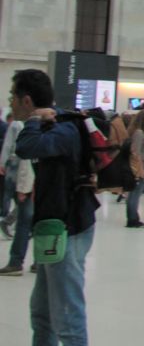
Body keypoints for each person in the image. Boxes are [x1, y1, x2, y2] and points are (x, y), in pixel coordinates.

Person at [11, 68, 100, 345]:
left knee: (67, 315)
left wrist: (35, 121)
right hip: (53, 227)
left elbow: (25, 147)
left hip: (68, 228)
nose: (10, 102)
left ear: (27, 101)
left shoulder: (62, 128)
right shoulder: (56, 124)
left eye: (12, 97)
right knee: (42, 314)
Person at [0, 118, 33, 275]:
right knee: (30, 219)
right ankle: (39, 261)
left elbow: (20, 155)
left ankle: (16, 262)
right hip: (32, 181)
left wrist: (22, 187)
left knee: (24, 221)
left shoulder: (22, 125)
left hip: (24, 179)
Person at [125, 110, 144, 228]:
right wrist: (140, 169)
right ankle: (132, 218)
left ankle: (133, 216)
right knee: (135, 193)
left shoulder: (138, 132)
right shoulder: (139, 133)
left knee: (134, 193)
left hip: (141, 165)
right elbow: (136, 152)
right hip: (140, 166)